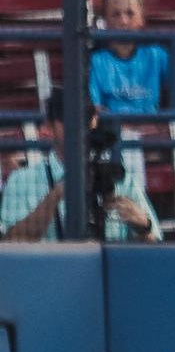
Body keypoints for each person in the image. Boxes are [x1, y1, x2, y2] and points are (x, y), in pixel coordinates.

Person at [0, 90, 161, 242]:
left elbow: (157, 254)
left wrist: (144, 228)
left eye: (85, 117)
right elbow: (9, 247)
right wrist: (54, 197)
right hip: (46, 270)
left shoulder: (120, 180)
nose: (77, 127)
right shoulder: (22, 179)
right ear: (49, 126)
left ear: (94, 120)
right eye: (68, 119)